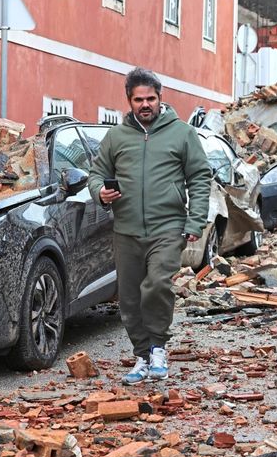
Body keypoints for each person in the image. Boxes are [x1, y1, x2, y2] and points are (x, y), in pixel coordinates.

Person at [88, 67, 211, 384]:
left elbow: (199, 178)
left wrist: (195, 219)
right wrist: (100, 193)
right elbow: (95, 174)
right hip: (125, 230)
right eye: (138, 99)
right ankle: (142, 357)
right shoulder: (116, 137)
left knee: (156, 284)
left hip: (168, 227)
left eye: (151, 98)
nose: (145, 104)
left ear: (161, 98)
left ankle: (158, 347)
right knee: (129, 299)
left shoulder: (182, 134)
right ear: (129, 101)